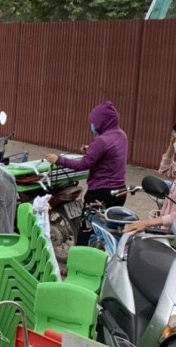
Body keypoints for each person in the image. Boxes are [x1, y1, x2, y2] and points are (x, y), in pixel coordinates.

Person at [44, 101, 128, 244]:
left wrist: (58, 160)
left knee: (86, 231)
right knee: (111, 231)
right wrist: (91, 150)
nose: (92, 125)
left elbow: (83, 164)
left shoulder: (101, 140)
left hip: (100, 194)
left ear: (102, 122)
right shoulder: (121, 135)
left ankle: (78, 264)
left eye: (94, 122)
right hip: (120, 192)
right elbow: (110, 154)